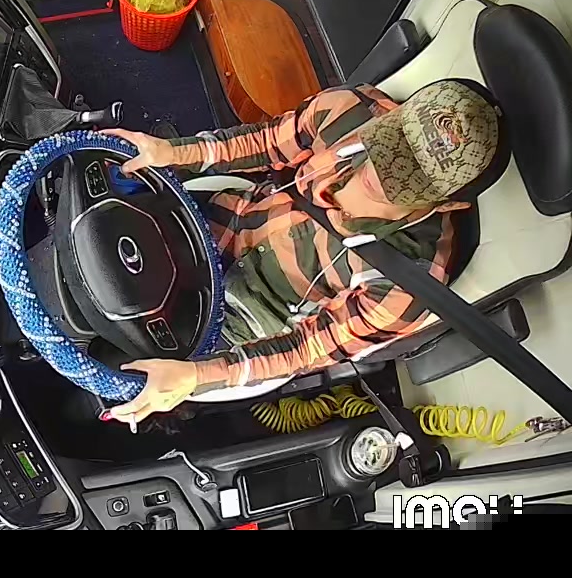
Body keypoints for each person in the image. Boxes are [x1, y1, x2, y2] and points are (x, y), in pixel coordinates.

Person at [99, 80, 503, 427]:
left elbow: (304, 349)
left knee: (116, 367)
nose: (377, 172)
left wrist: (195, 377)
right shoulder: (349, 111)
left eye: (406, 177)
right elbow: (267, 141)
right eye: (390, 143)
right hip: (226, 221)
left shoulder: (407, 285)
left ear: (450, 204)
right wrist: (172, 152)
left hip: (251, 320)